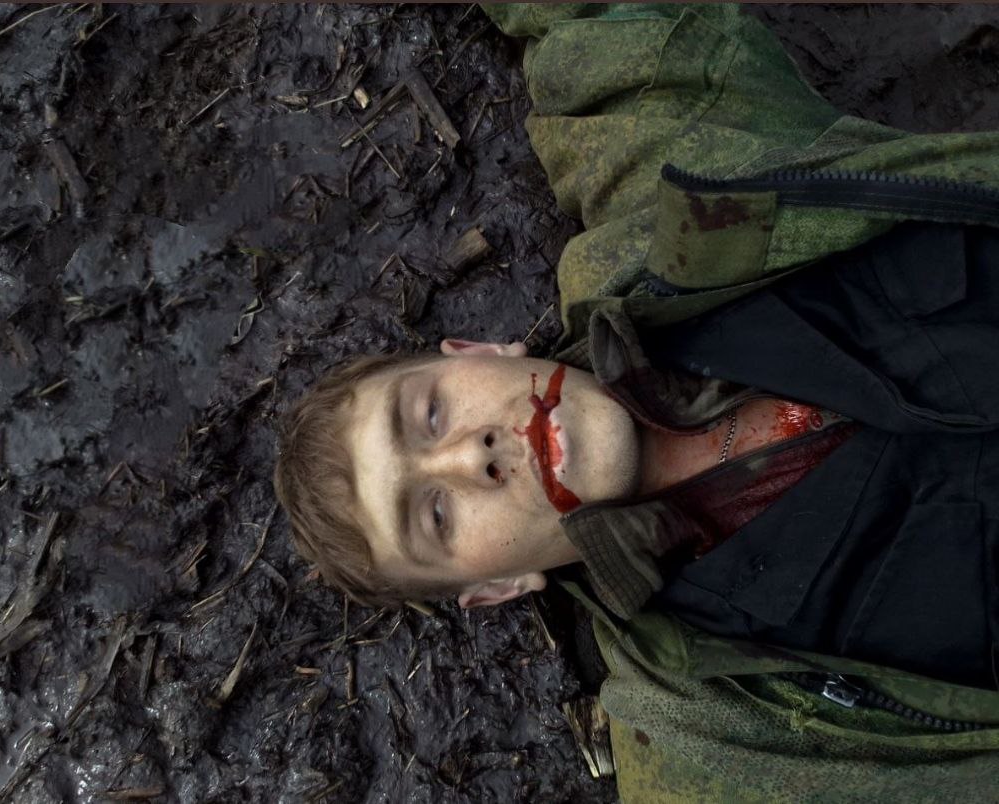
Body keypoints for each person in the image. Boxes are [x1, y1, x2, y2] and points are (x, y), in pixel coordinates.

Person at [276, 4, 999, 800]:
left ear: (478, 351)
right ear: (499, 590)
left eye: (430, 416)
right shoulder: (709, 742)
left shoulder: (666, 211)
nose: (470, 457)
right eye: (436, 516)